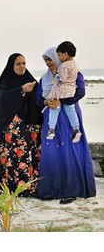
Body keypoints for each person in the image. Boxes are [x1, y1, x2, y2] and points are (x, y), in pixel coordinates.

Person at [37, 47, 96, 204]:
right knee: (52, 153)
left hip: (70, 119)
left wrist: (61, 100)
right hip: (52, 118)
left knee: (70, 152)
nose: (48, 63)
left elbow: (80, 92)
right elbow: (37, 100)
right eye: (46, 60)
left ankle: (71, 190)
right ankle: (50, 189)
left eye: (50, 59)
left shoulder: (73, 73)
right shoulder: (44, 79)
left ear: (59, 58)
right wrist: (46, 101)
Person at [0, 53, 42, 197]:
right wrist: (20, 90)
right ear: (11, 65)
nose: (22, 66)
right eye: (18, 64)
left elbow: (40, 100)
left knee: (32, 156)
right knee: (14, 157)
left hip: (32, 125)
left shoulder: (31, 81)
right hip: (13, 126)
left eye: (24, 63)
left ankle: (30, 188)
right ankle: (13, 187)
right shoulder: (5, 82)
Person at [46, 41, 81, 143]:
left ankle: (51, 129)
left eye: (59, 55)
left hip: (61, 92)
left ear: (65, 54)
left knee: (55, 108)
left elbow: (61, 79)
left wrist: (55, 74)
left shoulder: (65, 65)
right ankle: (76, 128)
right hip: (70, 92)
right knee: (70, 110)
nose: (59, 57)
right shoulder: (75, 65)